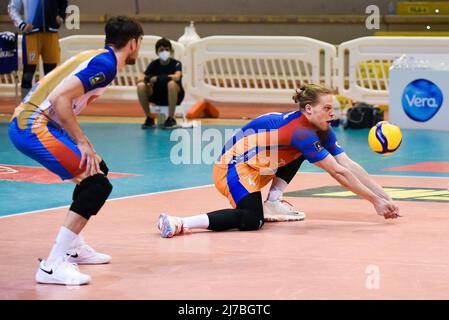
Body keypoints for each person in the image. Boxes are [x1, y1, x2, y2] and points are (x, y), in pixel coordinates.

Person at [157, 84, 401, 238]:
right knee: (252, 220)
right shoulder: (301, 131)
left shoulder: (321, 128)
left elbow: (348, 165)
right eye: (326, 108)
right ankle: (179, 222)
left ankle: (273, 201)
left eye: (332, 108)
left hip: (261, 164)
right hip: (233, 166)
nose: (332, 113)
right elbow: (338, 173)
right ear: (308, 109)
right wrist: (374, 202)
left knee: (310, 151)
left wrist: (384, 197)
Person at [8, 16, 143, 285]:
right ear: (133, 43)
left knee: (98, 169)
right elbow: (60, 100)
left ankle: (74, 247)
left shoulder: (98, 57)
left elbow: (60, 100)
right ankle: (52, 265)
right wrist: (81, 141)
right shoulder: (106, 65)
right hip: (32, 126)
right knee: (97, 185)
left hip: (39, 123)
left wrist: (86, 144)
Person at [8, 0, 68, 99]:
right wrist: (21, 24)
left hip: (51, 34)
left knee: (51, 74)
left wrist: (61, 16)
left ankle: (49, 105)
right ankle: (25, 107)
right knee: (28, 73)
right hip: (31, 35)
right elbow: (12, 8)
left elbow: (64, 2)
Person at [136, 37, 184, 129]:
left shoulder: (176, 64)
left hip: (175, 95)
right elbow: (139, 79)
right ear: (157, 52)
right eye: (161, 50)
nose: (164, 52)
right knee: (140, 86)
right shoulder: (153, 65)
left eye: (167, 49)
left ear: (171, 51)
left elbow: (176, 77)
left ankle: (171, 119)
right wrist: (149, 78)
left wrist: (157, 78)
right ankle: (149, 118)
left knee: (171, 84)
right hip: (157, 95)